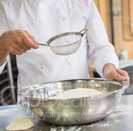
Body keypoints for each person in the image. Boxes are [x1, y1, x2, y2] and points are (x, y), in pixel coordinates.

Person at [0, 0, 129, 95]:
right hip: (34, 102)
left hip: (79, 96)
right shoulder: (7, 6)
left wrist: (109, 70)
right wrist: (3, 44)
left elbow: (101, 47)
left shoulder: (82, 2)